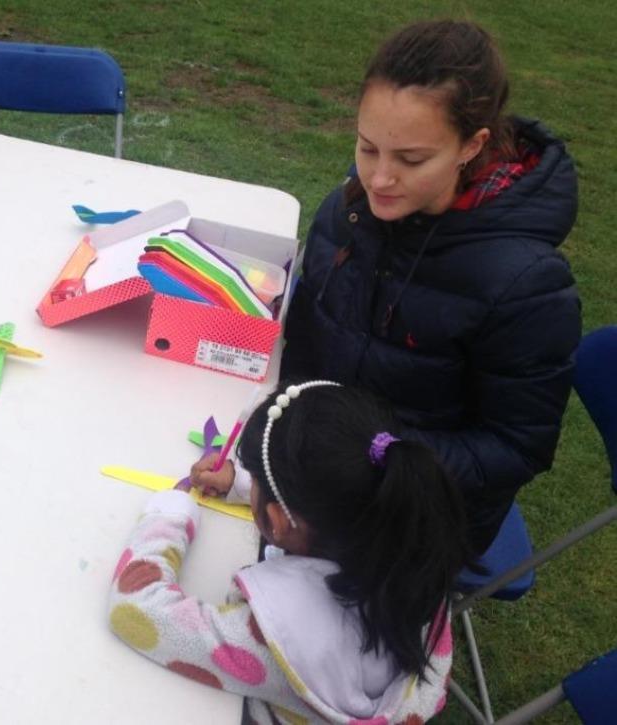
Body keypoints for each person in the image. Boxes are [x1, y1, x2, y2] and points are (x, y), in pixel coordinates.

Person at [280, 19, 581, 553]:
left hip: (422, 513)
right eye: (367, 147)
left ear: (472, 145)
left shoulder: (524, 284)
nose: (378, 180)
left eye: (411, 160)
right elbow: (304, 337)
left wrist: (373, 454)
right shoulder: (347, 211)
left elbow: (516, 447)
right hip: (320, 465)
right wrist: (276, 418)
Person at [109, 382, 471, 724]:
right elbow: (327, 499)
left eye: (256, 481)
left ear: (277, 520)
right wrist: (242, 485)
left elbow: (136, 610)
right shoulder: (409, 556)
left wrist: (169, 515)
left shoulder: (275, 639)